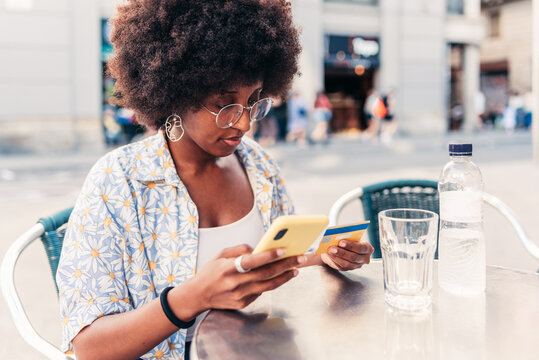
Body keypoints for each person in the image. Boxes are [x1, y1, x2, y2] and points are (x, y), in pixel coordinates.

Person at [56, 1, 374, 360]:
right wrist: (189, 299)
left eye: (253, 101)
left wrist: (327, 257)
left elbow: (276, 263)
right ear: (176, 92)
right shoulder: (119, 182)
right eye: (225, 104)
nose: (244, 123)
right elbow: (88, 346)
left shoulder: (258, 164)